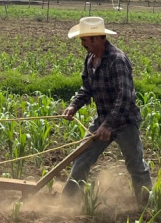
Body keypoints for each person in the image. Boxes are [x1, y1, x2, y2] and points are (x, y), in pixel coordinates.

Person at [61, 16, 153, 206]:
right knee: (81, 159)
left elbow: (125, 97)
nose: (82, 44)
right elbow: (87, 88)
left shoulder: (117, 60)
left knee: (136, 165)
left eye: (85, 40)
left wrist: (108, 126)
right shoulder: (90, 59)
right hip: (102, 118)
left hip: (124, 122)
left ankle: (148, 206)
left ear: (97, 38)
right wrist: (73, 106)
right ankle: (67, 203)